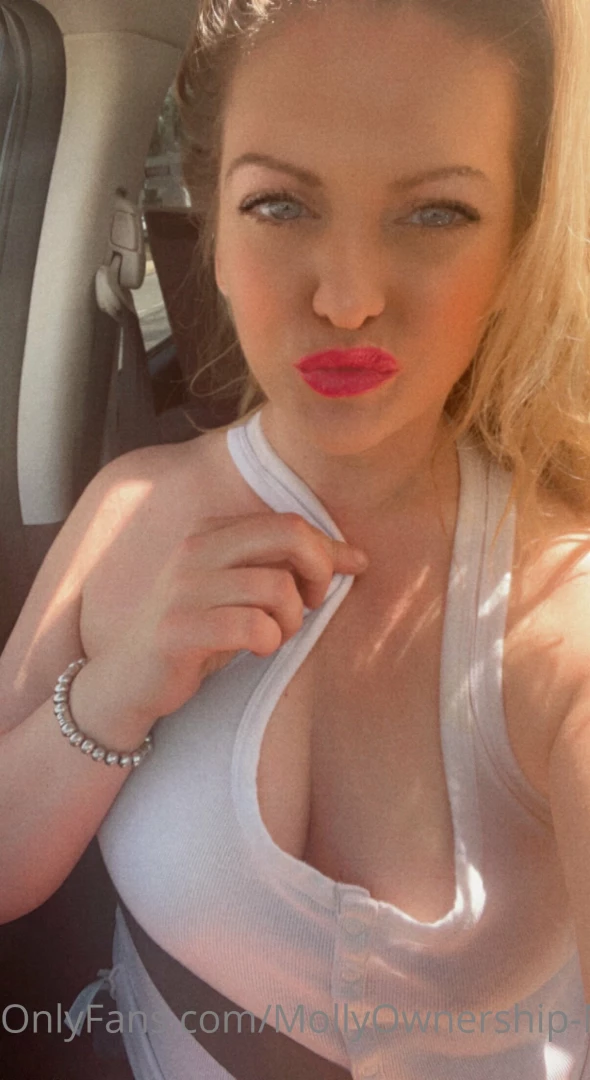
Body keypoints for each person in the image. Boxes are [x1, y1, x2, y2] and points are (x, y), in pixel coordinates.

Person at [1, 0, 590, 1077]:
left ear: (515, 249)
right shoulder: (128, 512)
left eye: (435, 214)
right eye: (278, 204)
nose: (348, 298)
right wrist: (114, 692)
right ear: (213, 237)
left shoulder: (561, 594)